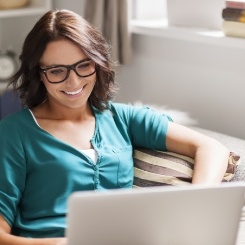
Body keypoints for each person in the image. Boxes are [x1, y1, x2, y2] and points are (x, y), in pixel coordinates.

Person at [0, 9, 230, 245]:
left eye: (83, 65)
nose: (74, 82)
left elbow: (212, 148)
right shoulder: (14, 133)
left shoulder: (124, 118)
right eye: (57, 71)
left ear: (97, 63)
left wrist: (196, 204)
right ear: (38, 74)